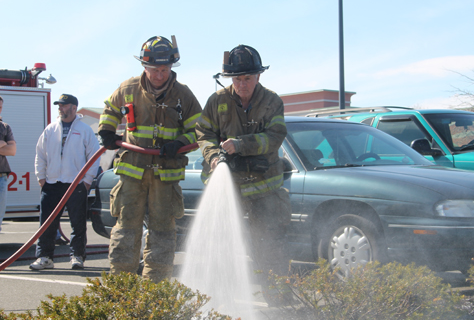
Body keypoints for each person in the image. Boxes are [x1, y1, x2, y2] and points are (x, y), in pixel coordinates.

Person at [98, 35, 202, 283]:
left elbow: (200, 129)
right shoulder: (128, 88)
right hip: (133, 171)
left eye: (164, 69)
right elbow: (110, 110)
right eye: (154, 69)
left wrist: (178, 143)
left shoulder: (183, 96)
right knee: (126, 231)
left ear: (171, 67)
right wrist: (107, 131)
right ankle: (121, 291)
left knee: (163, 235)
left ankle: (154, 295)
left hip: (166, 175)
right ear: (144, 67)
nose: (159, 75)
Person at [195, 45, 291, 303]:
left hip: (264, 191)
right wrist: (215, 157)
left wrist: (241, 145)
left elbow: (275, 136)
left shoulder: (272, 101)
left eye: (247, 78)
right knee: (222, 249)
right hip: (229, 192)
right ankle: (220, 304)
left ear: (258, 76)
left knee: (271, 249)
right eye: (237, 78)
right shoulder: (217, 102)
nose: (242, 84)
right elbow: (203, 134)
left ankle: (280, 305)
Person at [31, 94, 100, 270]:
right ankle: (45, 257)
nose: (60, 108)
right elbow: (40, 154)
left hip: (76, 184)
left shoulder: (84, 130)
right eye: (59, 106)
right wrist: (41, 177)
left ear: (74, 108)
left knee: (77, 222)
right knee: (47, 221)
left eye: (64, 105)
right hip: (52, 184)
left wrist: (86, 181)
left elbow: (93, 156)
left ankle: (77, 256)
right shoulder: (50, 129)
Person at [0, 96, 17, 232]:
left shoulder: (5, 127)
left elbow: (12, 151)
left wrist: (6, 145)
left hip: (1, 177)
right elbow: (7, 147)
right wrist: (2, 143)